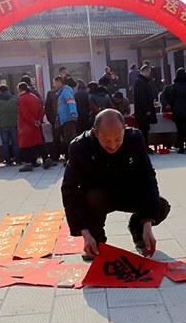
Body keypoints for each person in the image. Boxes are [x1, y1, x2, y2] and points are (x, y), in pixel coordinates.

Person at [61, 109, 171, 259]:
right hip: (98, 197)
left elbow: (147, 178)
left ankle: (138, 230)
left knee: (160, 206)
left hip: (126, 192)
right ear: (95, 133)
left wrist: (147, 223)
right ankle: (96, 240)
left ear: (125, 129)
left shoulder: (135, 139)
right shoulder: (80, 147)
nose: (113, 145)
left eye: (118, 139)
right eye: (107, 141)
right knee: (95, 197)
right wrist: (85, 233)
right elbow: (69, 191)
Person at [164, 68, 186, 154]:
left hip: (178, 110)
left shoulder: (174, 86)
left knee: (180, 130)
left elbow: (171, 99)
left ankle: (181, 148)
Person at [17, 82, 48, 171]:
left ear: (20, 89)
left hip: (26, 125)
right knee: (37, 143)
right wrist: (38, 120)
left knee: (26, 145)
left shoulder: (21, 99)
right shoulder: (34, 97)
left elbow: (25, 113)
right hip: (36, 124)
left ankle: (28, 163)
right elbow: (41, 109)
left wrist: (32, 121)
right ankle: (44, 159)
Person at [0, 85, 19, 165]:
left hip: (3, 125)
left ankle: (7, 160)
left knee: (5, 143)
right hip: (14, 123)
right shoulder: (15, 99)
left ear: (0, 91)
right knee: (15, 142)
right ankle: (17, 159)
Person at [133, 65, 157, 151]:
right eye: (148, 72)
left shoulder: (142, 82)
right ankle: (144, 147)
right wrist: (146, 110)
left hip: (143, 111)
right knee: (143, 130)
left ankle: (145, 147)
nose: (149, 74)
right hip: (143, 112)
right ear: (145, 72)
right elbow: (142, 98)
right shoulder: (140, 82)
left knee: (145, 130)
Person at [54, 75, 79, 161]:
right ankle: (71, 158)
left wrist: (73, 112)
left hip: (69, 118)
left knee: (70, 139)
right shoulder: (61, 92)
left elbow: (71, 102)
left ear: (59, 82)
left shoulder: (66, 91)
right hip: (65, 119)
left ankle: (72, 158)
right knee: (67, 139)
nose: (54, 85)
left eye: (55, 83)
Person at [44, 84, 61, 162]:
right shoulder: (66, 91)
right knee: (66, 138)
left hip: (55, 120)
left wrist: (51, 120)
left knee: (56, 138)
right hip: (64, 119)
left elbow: (47, 108)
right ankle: (68, 155)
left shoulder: (50, 94)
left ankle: (55, 156)